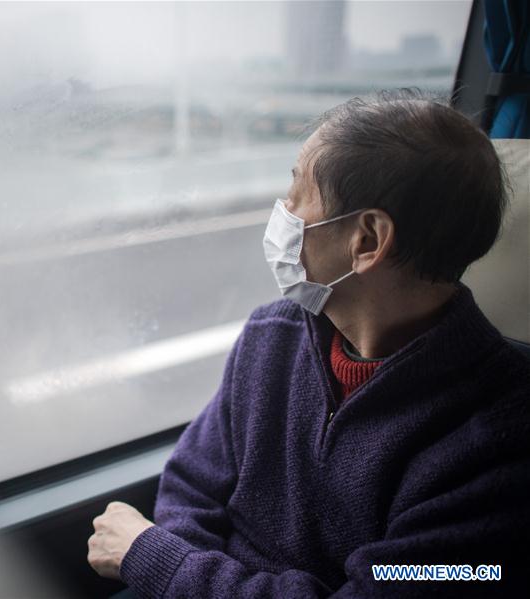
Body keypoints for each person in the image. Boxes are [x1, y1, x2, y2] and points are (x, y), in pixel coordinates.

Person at [87, 90, 530, 597]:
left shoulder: (501, 440)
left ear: (366, 240)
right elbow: (190, 482)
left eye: (298, 193)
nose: (283, 212)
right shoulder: (272, 336)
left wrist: (161, 562)